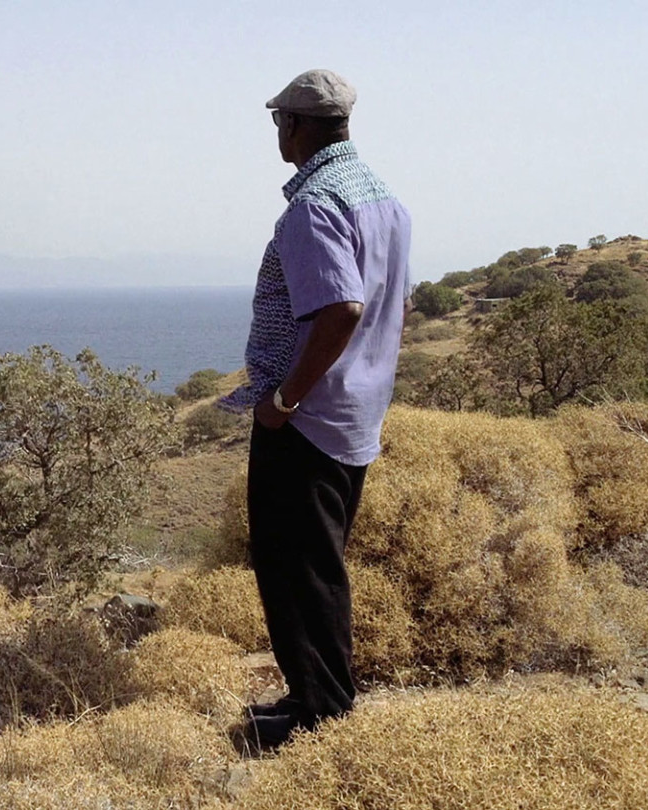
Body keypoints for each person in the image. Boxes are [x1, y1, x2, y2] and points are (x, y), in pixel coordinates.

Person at [218, 68, 411, 751]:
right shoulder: (383, 199)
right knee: (317, 564)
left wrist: (282, 398)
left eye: (279, 122)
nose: (278, 133)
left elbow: (342, 307)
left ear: (294, 126)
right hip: (356, 413)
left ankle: (320, 716)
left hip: (308, 419)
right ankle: (318, 699)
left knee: (294, 566)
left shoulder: (314, 205)